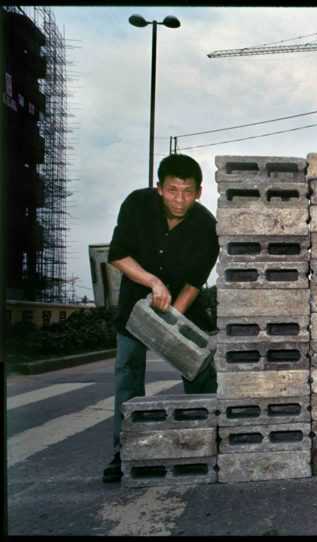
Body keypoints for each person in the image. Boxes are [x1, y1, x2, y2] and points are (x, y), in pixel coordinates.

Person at [102, 154, 220, 483]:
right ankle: (122, 450)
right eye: (172, 190)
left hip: (182, 305)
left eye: (187, 191)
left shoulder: (207, 227)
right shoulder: (136, 205)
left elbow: (195, 282)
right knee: (127, 373)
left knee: (198, 369)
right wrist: (152, 281)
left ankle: (207, 440)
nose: (179, 199)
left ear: (199, 192)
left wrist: (171, 322)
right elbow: (118, 254)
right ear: (158, 188)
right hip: (135, 304)